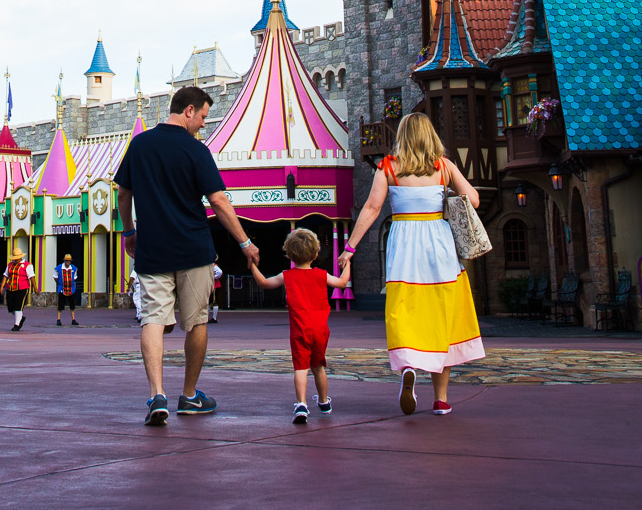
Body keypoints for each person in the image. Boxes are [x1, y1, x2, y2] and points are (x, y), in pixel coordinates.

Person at [114, 85, 261, 426]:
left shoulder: (140, 145)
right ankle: (190, 395)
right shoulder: (196, 151)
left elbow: (124, 194)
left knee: (153, 319)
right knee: (196, 321)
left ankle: (157, 394)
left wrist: (130, 231)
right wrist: (244, 243)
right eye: (204, 117)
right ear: (189, 110)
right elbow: (220, 202)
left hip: (152, 250)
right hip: (194, 251)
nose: (204, 125)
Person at [343, 112, 485, 416]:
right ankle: (441, 399)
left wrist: (350, 248)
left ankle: (409, 366)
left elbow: (371, 208)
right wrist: (445, 193)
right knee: (441, 316)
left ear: (402, 136)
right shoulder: (444, 167)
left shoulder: (389, 168)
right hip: (440, 245)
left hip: (405, 244)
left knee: (404, 309)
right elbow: (472, 199)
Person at [247, 227, 353, 424]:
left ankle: (301, 404)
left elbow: (263, 282)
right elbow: (342, 283)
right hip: (320, 330)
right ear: (315, 254)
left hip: (299, 330)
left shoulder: (287, 276)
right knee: (319, 365)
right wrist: (347, 264)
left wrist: (253, 265)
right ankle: (323, 402)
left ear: (289, 254)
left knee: (300, 368)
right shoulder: (321, 275)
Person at [2, 248, 32, 332]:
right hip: (11, 287)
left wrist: (35, 288)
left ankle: (16, 324)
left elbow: (32, 277)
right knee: (11, 307)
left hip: (22, 288)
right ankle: (20, 318)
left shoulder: (27, 265)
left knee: (19, 307)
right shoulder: (10, 265)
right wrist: (2, 286)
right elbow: (6, 275)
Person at [55, 253, 81, 325]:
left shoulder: (73, 268)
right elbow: (55, 277)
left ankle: (73, 319)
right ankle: (58, 319)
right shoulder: (59, 268)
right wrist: (60, 283)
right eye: (67, 261)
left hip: (71, 289)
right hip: (62, 289)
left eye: (69, 261)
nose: (68, 262)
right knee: (60, 305)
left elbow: (75, 277)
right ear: (64, 261)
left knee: (72, 305)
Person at [208, 260, 223, 324]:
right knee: (208, 302)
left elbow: (219, 272)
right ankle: (206, 317)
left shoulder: (213, 265)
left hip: (214, 285)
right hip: (209, 285)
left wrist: (213, 278)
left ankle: (214, 318)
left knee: (214, 301)